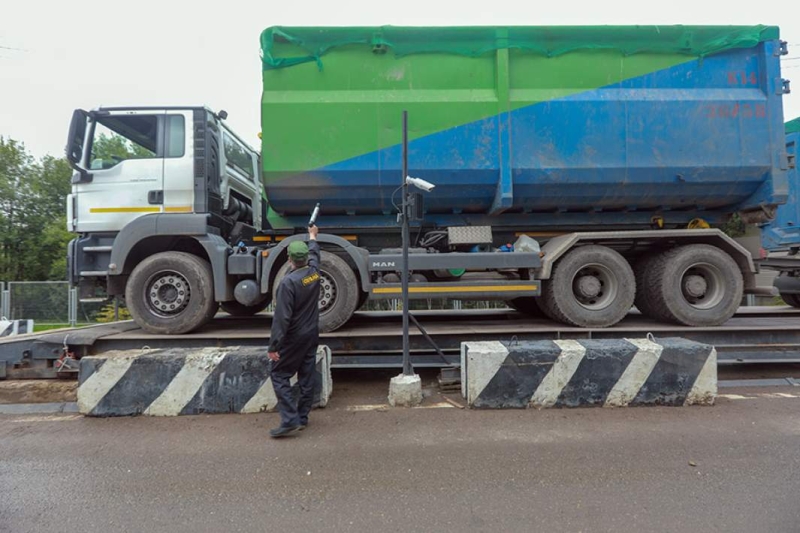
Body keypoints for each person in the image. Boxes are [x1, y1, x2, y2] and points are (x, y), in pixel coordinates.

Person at [267, 225, 321, 438]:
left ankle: (290, 420)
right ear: (306, 258)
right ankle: (302, 417)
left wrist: (274, 346)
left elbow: (282, 319)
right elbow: (316, 254)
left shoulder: (288, 283)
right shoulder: (314, 273)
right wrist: (312, 236)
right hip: (311, 333)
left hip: (295, 337)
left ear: (289, 259)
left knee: (278, 373)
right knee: (306, 376)